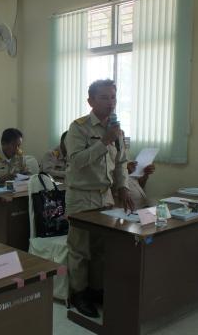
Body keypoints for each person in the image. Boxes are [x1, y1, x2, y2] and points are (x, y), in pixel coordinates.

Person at [65, 79, 132, 318]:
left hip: (105, 197)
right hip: (81, 196)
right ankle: (78, 293)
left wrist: (123, 187)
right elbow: (77, 160)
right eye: (104, 97)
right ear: (91, 101)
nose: (110, 102)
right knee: (80, 249)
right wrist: (104, 141)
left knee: (101, 248)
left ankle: (95, 290)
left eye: (113, 97)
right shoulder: (79, 128)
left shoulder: (117, 130)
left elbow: (121, 163)